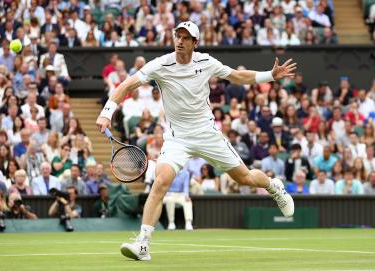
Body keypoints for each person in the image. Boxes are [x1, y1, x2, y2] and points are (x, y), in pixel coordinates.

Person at [96, 21, 296, 261]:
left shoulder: (206, 62)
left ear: (194, 43)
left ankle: (274, 187)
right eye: (177, 36)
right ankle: (143, 244)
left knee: (246, 178)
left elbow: (237, 76)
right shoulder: (160, 65)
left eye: (185, 37)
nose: (179, 41)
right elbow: (128, 85)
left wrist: (270, 76)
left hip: (207, 133)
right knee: (161, 181)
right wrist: (107, 112)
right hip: (177, 138)